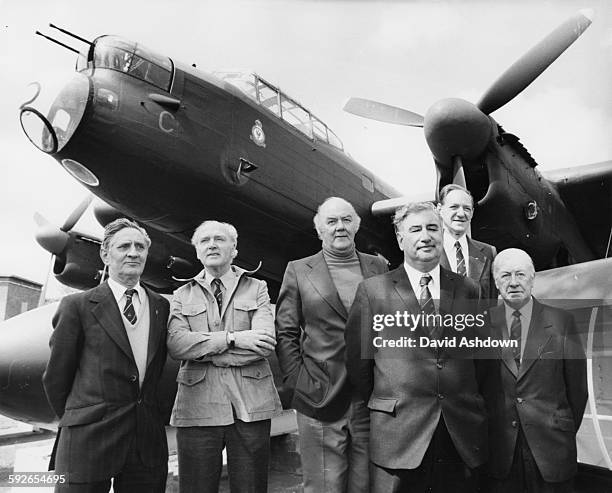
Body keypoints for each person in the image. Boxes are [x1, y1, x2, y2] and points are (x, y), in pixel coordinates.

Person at [345, 201, 487, 493]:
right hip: (398, 435)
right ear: (400, 238)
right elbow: (359, 365)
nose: (426, 236)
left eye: (433, 228)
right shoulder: (372, 291)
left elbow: (483, 362)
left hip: (458, 433)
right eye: (416, 229)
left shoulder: (469, 290)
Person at [43, 218, 170, 492]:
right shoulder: (76, 306)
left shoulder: (161, 306)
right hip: (88, 442)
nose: (133, 252)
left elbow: (156, 371)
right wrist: (83, 418)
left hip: (146, 444)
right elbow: (56, 377)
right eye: (124, 246)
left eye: (140, 246)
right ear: (105, 254)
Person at [275, 197, 388, 493]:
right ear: (319, 229)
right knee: (326, 486)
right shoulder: (298, 270)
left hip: (371, 398)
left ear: (357, 225)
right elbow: (285, 331)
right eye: (332, 221)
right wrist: (299, 383)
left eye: (346, 220)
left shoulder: (378, 266)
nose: (340, 227)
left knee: (368, 485)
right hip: (319, 396)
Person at [167, 220, 281, 493]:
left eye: (220, 239)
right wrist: (234, 338)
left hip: (250, 406)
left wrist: (204, 350)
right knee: (196, 487)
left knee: (251, 487)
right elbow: (178, 346)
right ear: (196, 252)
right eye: (204, 241)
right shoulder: (181, 295)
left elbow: (264, 342)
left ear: (234, 248)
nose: (212, 245)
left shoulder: (257, 288)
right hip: (197, 406)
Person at [480, 248, 587, 493]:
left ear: (532, 278)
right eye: (506, 276)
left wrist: (556, 426)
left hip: (552, 451)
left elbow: (577, 391)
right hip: (500, 452)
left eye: (521, 274)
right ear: (496, 282)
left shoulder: (562, 322)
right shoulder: (481, 326)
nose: (514, 282)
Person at [438, 184, 497, 304]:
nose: (461, 214)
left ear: (472, 213)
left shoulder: (488, 252)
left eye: (466, 208)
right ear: (439, 210)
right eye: (454, 207)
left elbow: (492, 303)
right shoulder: (426, 251)